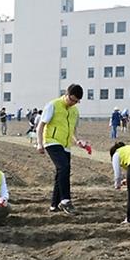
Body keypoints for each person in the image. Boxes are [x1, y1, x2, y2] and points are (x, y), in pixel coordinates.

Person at [37, 84, 89, 215]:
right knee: (64, 168)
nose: (73, 103)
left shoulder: (74, 111)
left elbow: (73, 130)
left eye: (76, 102)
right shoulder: (53, 105)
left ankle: (54, 205)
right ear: (66, 94)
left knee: (61, 172)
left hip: (66, 145)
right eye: (72, 100)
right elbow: (41, 125)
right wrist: (39, 144)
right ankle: (65, 201)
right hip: (52, 142)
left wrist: (78, 141)